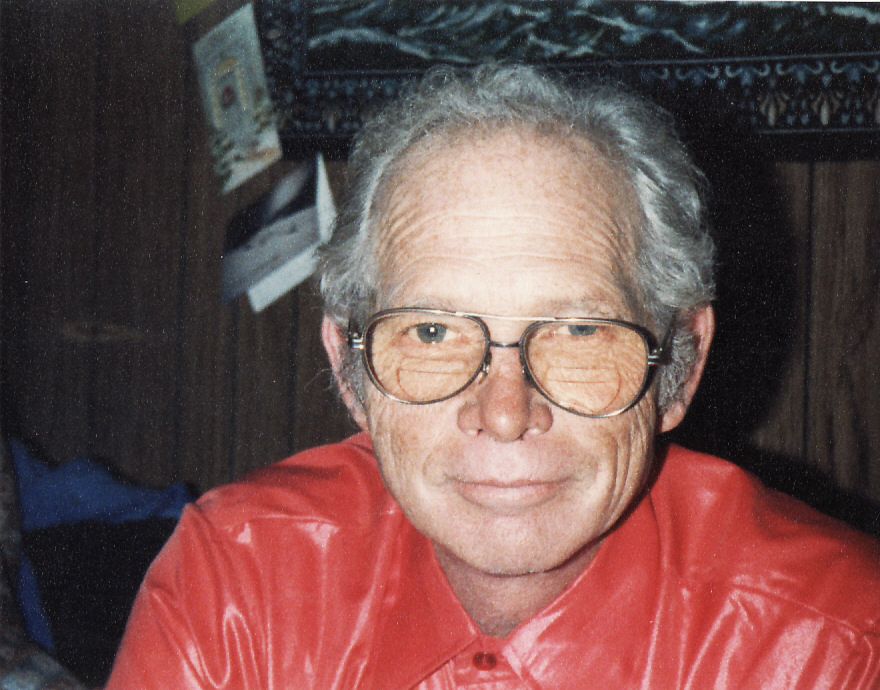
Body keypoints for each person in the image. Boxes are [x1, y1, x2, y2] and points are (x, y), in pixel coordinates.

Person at [106, 64, 880, 688]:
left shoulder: (831, 645)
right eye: (434, 330)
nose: (505, 412)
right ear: (351, 372)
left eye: (578, 330)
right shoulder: (236, 586)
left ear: (676, 370)